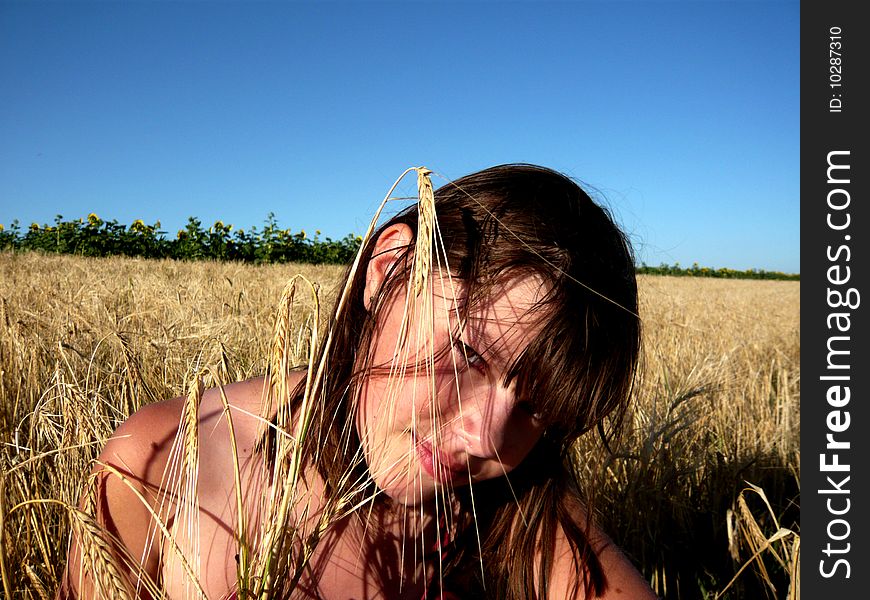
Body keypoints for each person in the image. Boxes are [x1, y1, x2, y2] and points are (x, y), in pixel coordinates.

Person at [60, 164, 657, 599]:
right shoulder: (156, 468)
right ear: (388, 269)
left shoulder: (517, 513)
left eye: (536, 411)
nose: (484, 437)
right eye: (469, 354)